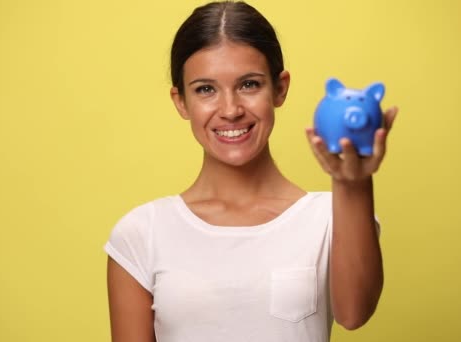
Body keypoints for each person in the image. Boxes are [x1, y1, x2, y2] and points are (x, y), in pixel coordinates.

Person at [104, 1, 397, 341]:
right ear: (181, 101)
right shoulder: (141, 234)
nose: (230, 110)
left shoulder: (329, 218)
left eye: (249, 85)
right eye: (205, 89)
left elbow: (354, 314)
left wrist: (354, 184)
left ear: (280, 88)